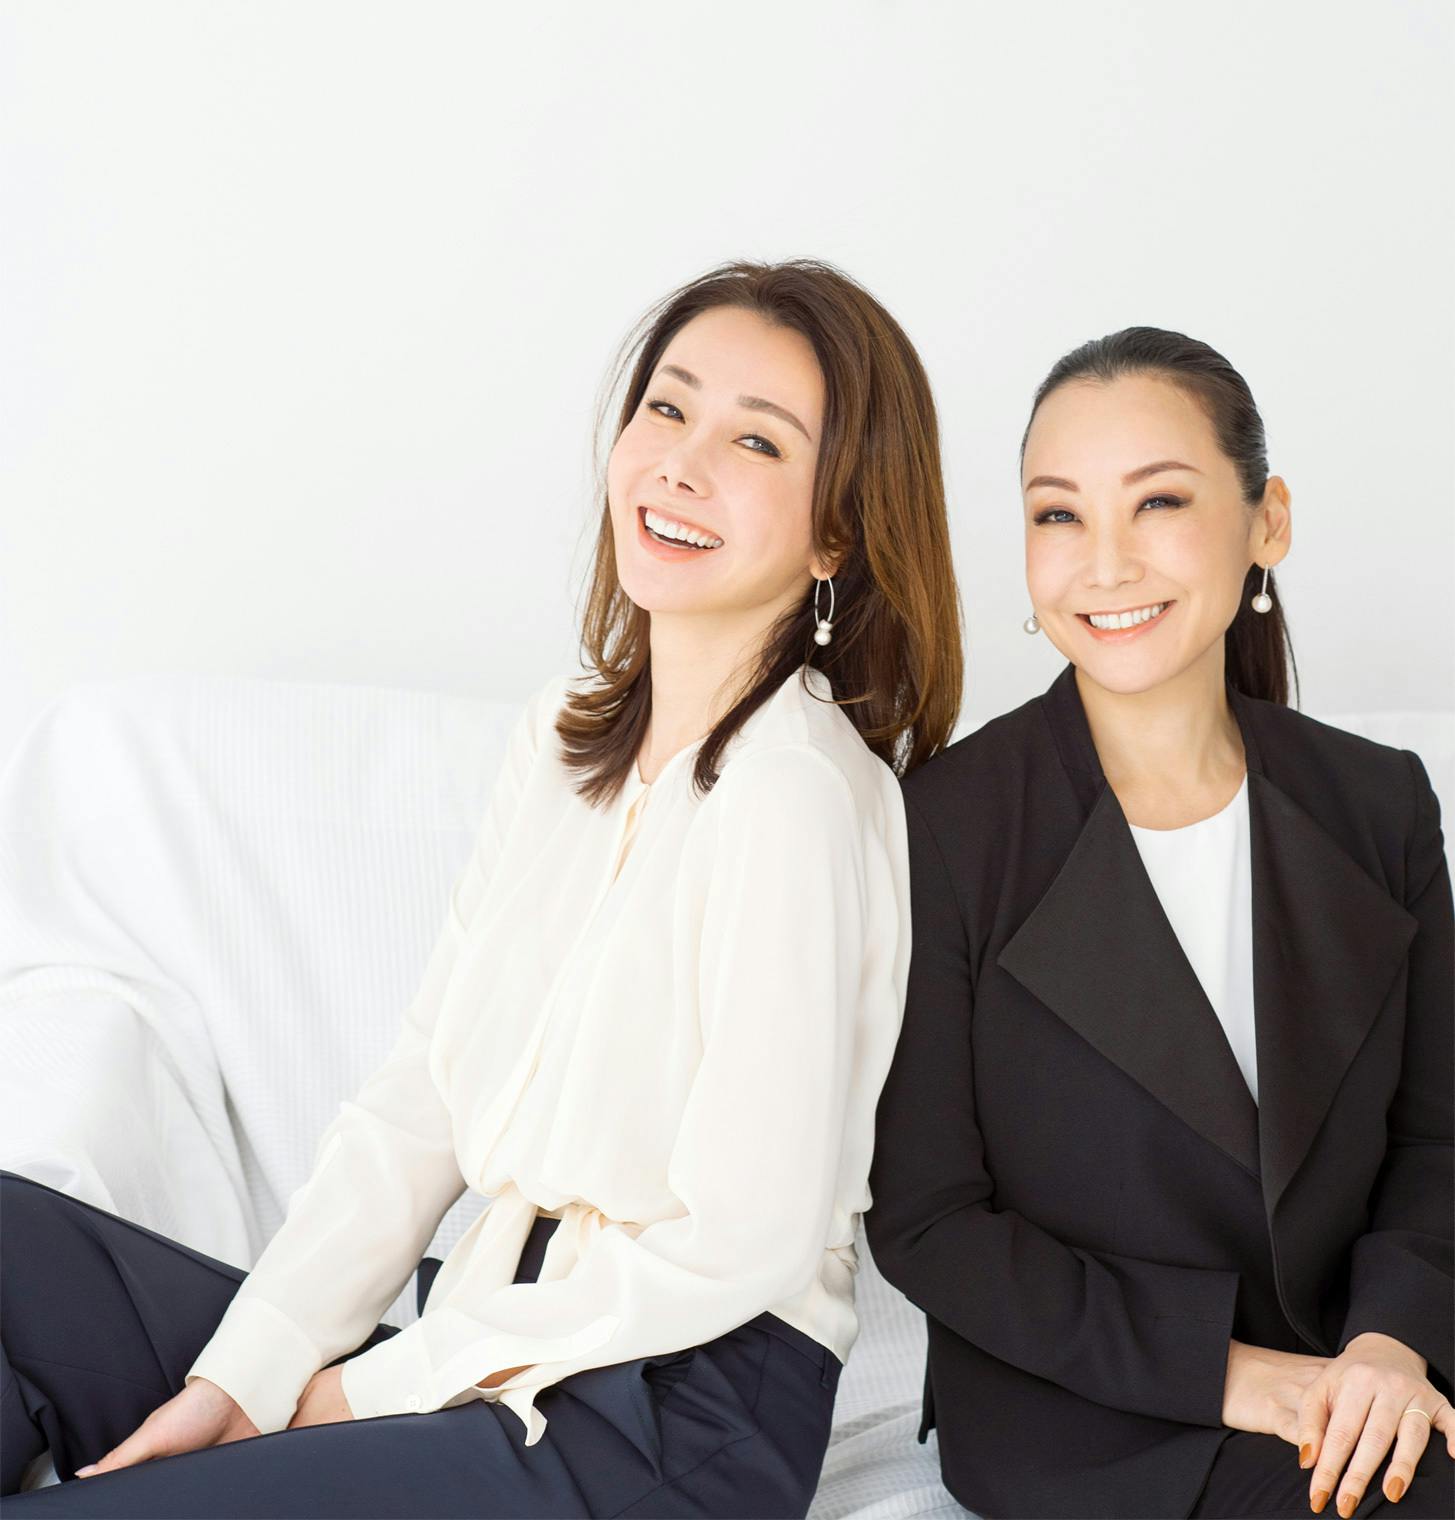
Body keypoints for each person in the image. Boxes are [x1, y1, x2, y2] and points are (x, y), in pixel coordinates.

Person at [0, 257, 963, 1518]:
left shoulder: (801, 791)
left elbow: (742, 1239)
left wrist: (372, 1388)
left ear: (837, 529)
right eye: (668, 407)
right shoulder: (563, 741)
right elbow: (420, 1103)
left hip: (669, 1414)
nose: (681, 463)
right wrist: (248, 1373)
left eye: (756, 441)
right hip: (488, 1344)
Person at [865, 327, 1454, 1520]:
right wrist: (1234, 1374)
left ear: (1267, 521)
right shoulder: (944, 825)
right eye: (1059, 514)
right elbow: (928, 1218)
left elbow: (1435, 1139)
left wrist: (1392, 1342)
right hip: (1089, 1411)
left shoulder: (1378, 801)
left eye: (1160, 501)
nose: (1106, 562)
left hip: (1354, 1371)